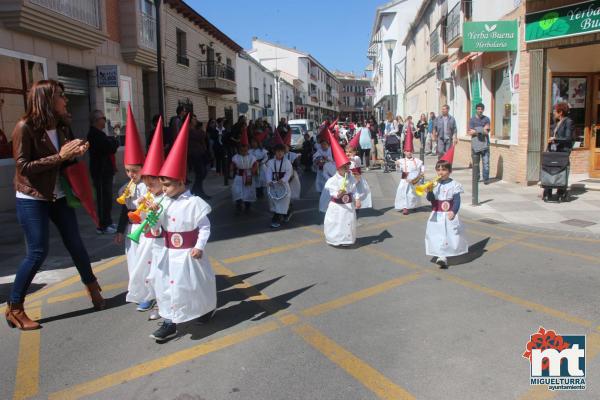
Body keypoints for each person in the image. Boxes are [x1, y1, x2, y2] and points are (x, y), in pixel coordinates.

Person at [8, 80, 104, 330]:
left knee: (76, 243)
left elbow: (65, 164)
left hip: (59, 194)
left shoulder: (62, 125)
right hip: (32, 196)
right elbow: (24, 167)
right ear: (47, 100)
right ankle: (15, 307)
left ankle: (93, 288)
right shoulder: (24, 127)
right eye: (61, 96)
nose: (66, 100)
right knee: (37, 252)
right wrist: (59, 156)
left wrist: (76, 153)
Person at [149, 115, 216, 342]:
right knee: (169, 287)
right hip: (169, 253)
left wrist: (199, 246)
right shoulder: (162, 202)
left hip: (189, 254)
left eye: (167, 185)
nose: (163, 189)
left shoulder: (194, 203)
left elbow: (204, 227)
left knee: (194, 285)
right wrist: (152, 217)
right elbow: (158, 228)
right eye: (163, 184)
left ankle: (205, 308)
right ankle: (170, 322)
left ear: (181, 182)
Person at [125, 117, 165, 317]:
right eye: (128, 171)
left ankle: (160, 303)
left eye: (135, 170)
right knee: (143, 268)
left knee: (159, 271)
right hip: (146, 236)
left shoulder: (166, 197)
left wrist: (152, 211)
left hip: (161, 239)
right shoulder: (134, 189)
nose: (148, 188)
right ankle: (148, 296)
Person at [115, 105, 150, 309]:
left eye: (135, 170)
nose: (131, 175)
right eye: (128, 171)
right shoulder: (126, 187)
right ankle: (140, 293)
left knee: (147, 262)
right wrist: (120, 230)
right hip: (132, 230)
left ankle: (150, 293)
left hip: (147, 229)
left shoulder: (149, 187)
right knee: (135, 262)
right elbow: (124, 210)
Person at [425, 148, 468, 268]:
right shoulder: (435, 184)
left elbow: (457, 200)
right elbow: (431, 199)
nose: (441, 172)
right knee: (437, 234)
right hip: (437, 213)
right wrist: (429, 191)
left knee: (450, 234)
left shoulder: (455, 185)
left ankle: (446, 253)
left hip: (448, 213)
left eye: (444, 170)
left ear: (450, 171)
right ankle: (441, 256)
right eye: (438, 170)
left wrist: (454, 211)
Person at [323, 131, 361, 247]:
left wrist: (357, 199)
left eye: (347, 167)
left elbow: (354, 190)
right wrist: (338, 194)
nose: (347, 169)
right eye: (344, 167)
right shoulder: (332, 180)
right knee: (336, 222)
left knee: (347, 222)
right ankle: (335, 239)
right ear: (338, 168)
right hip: (337, 206)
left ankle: (346, 239)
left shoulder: (350, 177)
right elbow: (333, 192)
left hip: (348, 204)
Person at [87, 109, 119, 234]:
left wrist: (113, 141)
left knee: (107, 198)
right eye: (103, 118)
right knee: (102, 199)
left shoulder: (100, 134)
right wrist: (114, 141)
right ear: (96, 121)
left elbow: (110, 145)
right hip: (100, 172)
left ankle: (108, 222)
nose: (105, 120)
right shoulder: (94, 134)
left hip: (105, 171)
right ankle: (102, 225)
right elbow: (109, 147)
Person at [543, 102, 574, 201]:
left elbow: (568, 138)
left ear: (560, 112)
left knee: (562, 171)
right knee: (550, 169)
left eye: (555, 111)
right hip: (554, 150)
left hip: (563, 152)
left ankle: (561, 192)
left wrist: (555, 139)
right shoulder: (556, 123)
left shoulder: (568, 122)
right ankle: (548, 191)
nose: (553, 113)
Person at [394, 130, 424, 215]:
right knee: (403, 193)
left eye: (410, 150)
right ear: (404, 152)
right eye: (407, 151)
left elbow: (422, 167)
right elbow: (398, 168)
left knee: (412, 194)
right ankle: (405, 207)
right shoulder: (402, 160)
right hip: (404, 180)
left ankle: (413, 205)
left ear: (413, 151)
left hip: (414, 180)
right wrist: (397, 164)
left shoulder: (417, 161)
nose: (409, 152)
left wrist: (421, 173)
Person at [230, 127, 257, 213]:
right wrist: (231, 168)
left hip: (248, 176)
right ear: (239, 150)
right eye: (242, 151)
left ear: (248, 149)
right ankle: (238, 203)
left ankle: (247, 204)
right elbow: (233, 164)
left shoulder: (251, 157)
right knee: (237, 190)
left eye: (245, 151)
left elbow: (255, 164)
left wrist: (253, 169)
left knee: (248, 191)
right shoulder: (236, 157)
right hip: (239, 176)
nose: (244, 152)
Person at [266, 142, 293, 228]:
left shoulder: (287, 162)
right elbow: (268, 172)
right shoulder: (270, 162)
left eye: (281, 151)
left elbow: (289, 173)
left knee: (284, 202)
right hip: (273, 185)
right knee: (275, 202)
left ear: (284, 152)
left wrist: (283, 180)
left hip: (283, 185)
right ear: (275, 152)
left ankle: (276, 219)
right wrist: (269, 180)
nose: (280, 153)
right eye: (278, 151)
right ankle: (285, 213)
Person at [468, 103, 491, 185]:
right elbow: (470, 132)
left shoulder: (486, 119)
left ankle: (486, 179)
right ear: (476, 109)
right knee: (476, 164)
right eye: (478, 109)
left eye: (481, 109)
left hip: (485, 145)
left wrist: (476, 131)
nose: (480, 110)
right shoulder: (472, 120)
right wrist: (482, 130)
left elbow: (486, 132)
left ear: (483, 110)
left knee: (486, 163)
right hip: (475, 145)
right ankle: (476, 178)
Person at [188, 115, 210, 199]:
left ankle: (195, 190)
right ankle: (198, 192)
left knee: (202, 173)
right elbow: (201, 136)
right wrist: (204, 128)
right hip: (194, 154)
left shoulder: (195, 129)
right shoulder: (189, 130)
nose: (196, 120)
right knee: (200, 173)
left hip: (200, 153)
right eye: (194, 119)